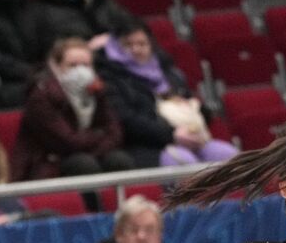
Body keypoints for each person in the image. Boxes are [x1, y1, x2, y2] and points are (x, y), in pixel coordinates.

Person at [95, 21, 236, 168]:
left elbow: (194, 103)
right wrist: (172, 135)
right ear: (116, 48)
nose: (136, 49)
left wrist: (197, 113)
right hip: (148, 145)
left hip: (187, 138)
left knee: (228, 155)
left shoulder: (168, 73)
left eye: (142, 44)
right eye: (128, 45)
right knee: (184, 162)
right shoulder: (110, 78)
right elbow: (126, 120)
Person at [12, 38, 134, 183]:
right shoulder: (41, 97)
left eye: (85, 65)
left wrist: (96, 145)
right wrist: (99, 135)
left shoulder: (96, 91)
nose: (80, 71)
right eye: (72, 65)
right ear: (56, 67)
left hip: (87, 153)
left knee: (119, 160)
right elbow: (67, 141)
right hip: (48, 161)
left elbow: (115, 133)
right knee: (84, 164)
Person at [25, 0, 136, 63]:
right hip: (80, 66)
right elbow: (49, 50)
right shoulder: (40, 10)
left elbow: (132, 26)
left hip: (119, 59)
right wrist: (86, 48)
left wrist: (112, 40)